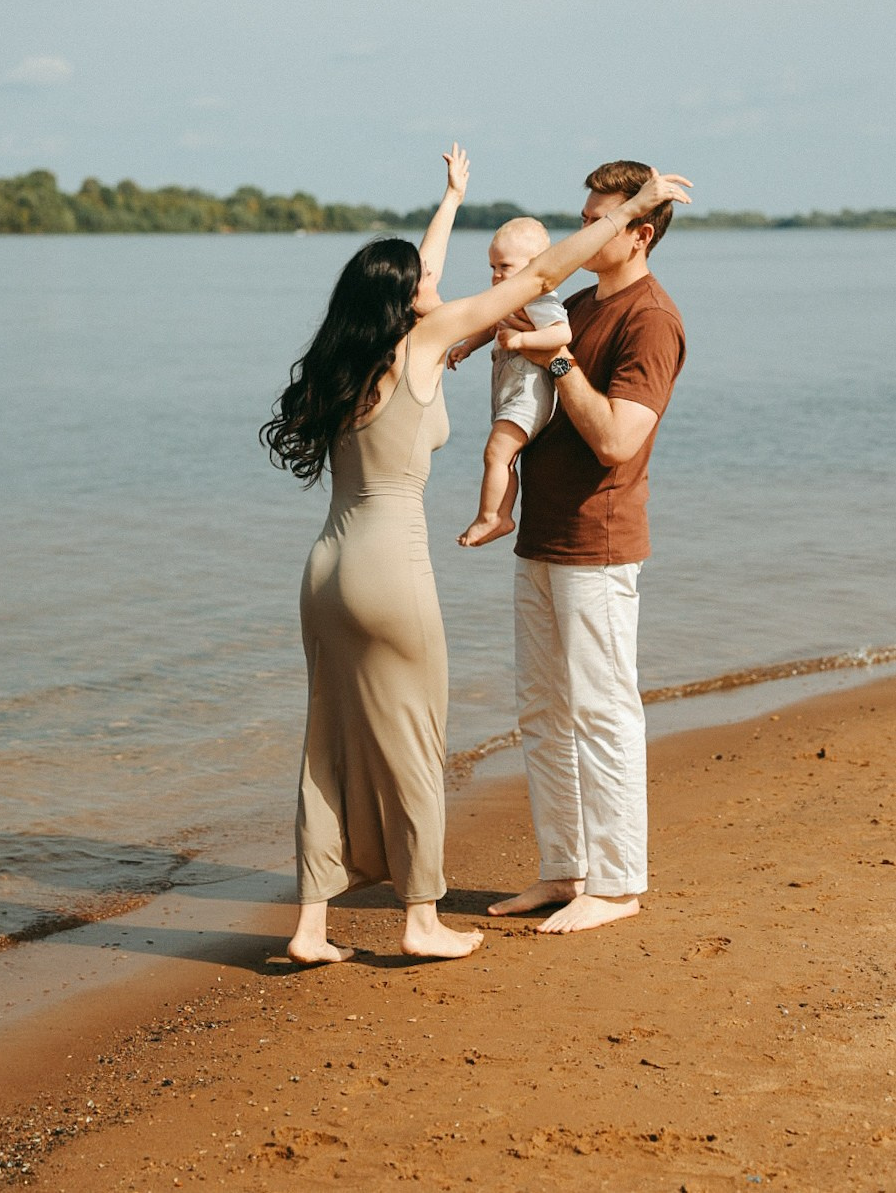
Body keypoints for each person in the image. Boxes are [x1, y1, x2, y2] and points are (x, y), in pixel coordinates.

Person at [262, 146, 690, 964]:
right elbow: (528, 281)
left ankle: (313, 924)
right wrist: (635, 203)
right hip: (408, 567)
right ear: (405, 298)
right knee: (438, 737)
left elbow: (612, 434)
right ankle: (443, 911)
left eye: (598, 220)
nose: (438, 283)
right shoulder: (445, 334)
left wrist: (453, 201)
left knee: (327, 747)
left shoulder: (348, 357)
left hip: (332, 568)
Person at [488, 159, 691, 935]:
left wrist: (558, 359)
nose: (583, 232)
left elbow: (613, 439)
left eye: (600, 220)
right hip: (540, 534)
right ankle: (563, 867)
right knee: (541, 710)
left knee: (602, 711)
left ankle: (615, 882)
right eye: (582, 219)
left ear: (638, 233)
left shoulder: (651, 319)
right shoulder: (574, 303)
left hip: (598, 542)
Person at [447, 217, 572, 548]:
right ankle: (501, 516)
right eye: (493, 267)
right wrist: (466, 347)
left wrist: (523, 340)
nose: (496, 275)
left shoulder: (540, 300)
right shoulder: (508, 299)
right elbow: (490, 327)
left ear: (534, 266)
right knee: (504, 459)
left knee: (495, 454)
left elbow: (562, 333)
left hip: (528, 396)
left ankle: (490, 516)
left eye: (504, 266)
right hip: (508, 395)